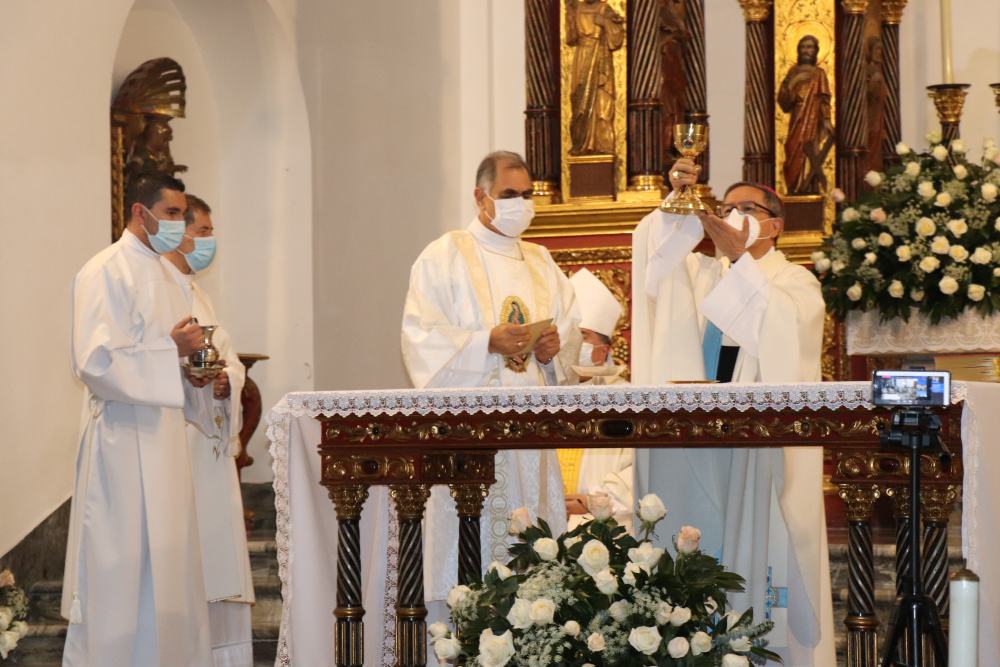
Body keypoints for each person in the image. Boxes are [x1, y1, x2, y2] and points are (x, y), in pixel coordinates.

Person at [631, 159, 835, 666]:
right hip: (699, 446)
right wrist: (677, 203)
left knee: (751, 559)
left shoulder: (796, 283)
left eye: (747, 209)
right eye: (726, 209)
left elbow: (785, 334)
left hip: (756, 453)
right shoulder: (701, 274)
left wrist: (743, 262)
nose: (734, 215)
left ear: (775, 225)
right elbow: (656, 271)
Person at [401, 150, 581, 636]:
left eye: (527, 195)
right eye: (509, 195)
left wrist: (551, 351)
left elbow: (571, 334)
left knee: (536, 572)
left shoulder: (542, 261)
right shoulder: (446, 255)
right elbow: (420, 338)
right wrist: (486, 343)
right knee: (472, 566)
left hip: (531, 444)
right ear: (481, 198)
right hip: (473, 444)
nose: (521, 204)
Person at [62, 172, 213, 666]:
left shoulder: (172, 277)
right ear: (139, 213)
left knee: (170, 574)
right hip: (122, 442)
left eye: (181, 215)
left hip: (166, 443)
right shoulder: (104, 271)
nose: (178, 225)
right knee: (120, 574)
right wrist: (170, 351)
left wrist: (192, 376)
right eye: (171, 214)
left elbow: (175, 364)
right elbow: (94, 362)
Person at [162, 194, 255, 667]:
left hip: (211, 447)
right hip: (179, 446)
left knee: (216, 565)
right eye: (202, 231)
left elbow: (231, 361)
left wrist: (225, 383)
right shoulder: (160, 289)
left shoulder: (197, 292)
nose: (208, 241)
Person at [564, 268, 632, 530]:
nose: (570, 343)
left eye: (581, 336)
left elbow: (637, 470)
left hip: (600, 528)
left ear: (601, 352)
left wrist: (593, 501)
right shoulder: (541, 394)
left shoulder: (625, 400)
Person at [777, 35, 833, 194]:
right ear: (798, 50)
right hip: (797, 116)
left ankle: (808, 187)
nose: (807, 51)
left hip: (813, 118)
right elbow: (784, 102)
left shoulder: (819, 73)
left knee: (811, 152)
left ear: (816, 51)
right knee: (793, 150)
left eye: (810, 47)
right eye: (803, 47)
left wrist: (827, 120)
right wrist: (794, 82)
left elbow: (824, 99)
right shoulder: (792, 72)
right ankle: (793, 187)